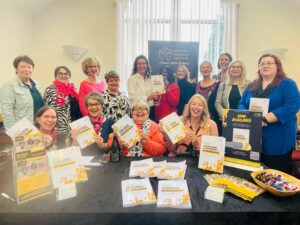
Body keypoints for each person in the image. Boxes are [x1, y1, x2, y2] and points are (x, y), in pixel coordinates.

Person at [238, 54, 300, 173]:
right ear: (259, 68)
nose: (265, 65)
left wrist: (265, 119)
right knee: (254, 173)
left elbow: (292, 106)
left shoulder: (287, 84)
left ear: (277, 66)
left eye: (269, 63)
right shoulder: (252, 85)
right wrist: (247, 116)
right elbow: (241, 103)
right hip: (253, 137)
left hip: (278, 137)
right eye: (262, 63)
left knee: (275, 175)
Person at [0, 55, 44, 129]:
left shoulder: (36, 84)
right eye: (23, 67)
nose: (26, 69)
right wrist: (14, 132)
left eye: (29, 67)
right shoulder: (9, 86)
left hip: (39, 127)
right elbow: (7, 113)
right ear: (16, 69)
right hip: (22, 129)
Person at [44, 66, 81, 141]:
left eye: (66, 74)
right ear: (55, 76)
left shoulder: (74, 89)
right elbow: (48, 111)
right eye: (60, 74)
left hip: (75, 127)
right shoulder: (50, 90)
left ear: (69, 76)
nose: (63, 76)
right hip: (60, 129)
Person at [127, 55, 159, 120]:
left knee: (151, 129)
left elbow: (152, 96)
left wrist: (155, 99)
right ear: (136, 66)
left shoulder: (150, 79)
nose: (142, 66)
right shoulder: (132, 79)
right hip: (137, 112)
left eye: (144, 63)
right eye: (139, 64)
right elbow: (132, 97)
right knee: (138, 130)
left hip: (150, 110)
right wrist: (147, 98)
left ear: (147, 65)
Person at [208, 53, 233, 135]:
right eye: (221, 59)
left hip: (227, 114)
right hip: (214, 113)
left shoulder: (233, 77)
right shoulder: (215, 77)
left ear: (230, 62)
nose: (223, 61)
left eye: (226, 59)